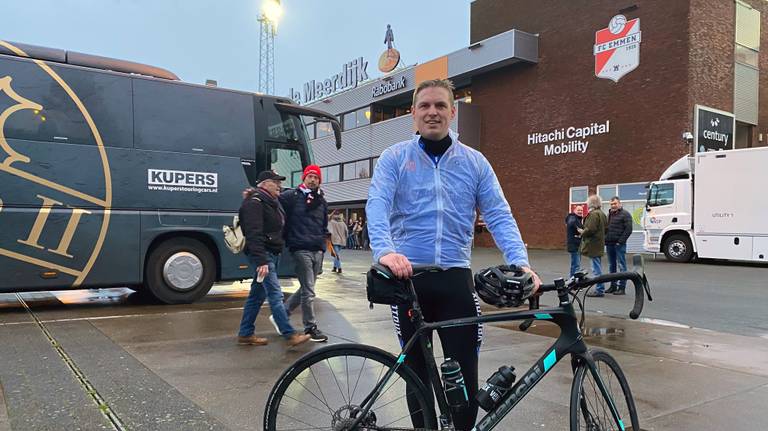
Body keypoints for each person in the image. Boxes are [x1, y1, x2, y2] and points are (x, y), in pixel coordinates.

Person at [366, 78, 541, 431]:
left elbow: (498, 214)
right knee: (416, 378)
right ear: (413, 114)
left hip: (456, 281)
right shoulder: (395, 158)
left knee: (464, 376)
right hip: (408, 279)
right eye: (425, 106)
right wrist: (384, 251)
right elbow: (378, 204)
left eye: (440, 106)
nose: (433, 112)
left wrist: (521, 263)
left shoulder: (474, 162)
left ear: (452, 112)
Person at [236, 171, 310, 347]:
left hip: (270, 253)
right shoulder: (254, 203)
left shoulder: (271, 202)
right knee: (275, 294)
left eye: (279, 182)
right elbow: (253, 233)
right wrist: (261, 261)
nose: (279, 185)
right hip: (263, 255)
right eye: (275, 182)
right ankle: (289, 334)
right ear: (264, 184)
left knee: (256, 295)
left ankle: (245, 333)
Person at [278, 165, 329, 343]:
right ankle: (310, 327)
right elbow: (272, 202)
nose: (313, 179)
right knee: (309, 291)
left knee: (306, 288)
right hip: (300, 248)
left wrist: (322, 243)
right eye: (310, 176)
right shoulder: (292, 196)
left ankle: (281, 314)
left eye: (316, 177)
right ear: (304, 178)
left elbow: (323, 223)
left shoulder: (321, 200)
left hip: (317, 248)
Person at [580, 194, 608, 297]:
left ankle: (599, 289)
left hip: (593, 245)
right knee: (598, 266)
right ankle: (600, 288)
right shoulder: (602, 214)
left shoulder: (593, 214)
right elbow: (605, 229)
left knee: (596, 268)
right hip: (599, 243)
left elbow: (590, 229)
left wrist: (582, 232)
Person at [605, 196, 633, 295]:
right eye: (611, 204)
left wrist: (620, 241)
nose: (613, 205)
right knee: (611, 266)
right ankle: (613, 286)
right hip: (609, 244)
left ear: (619, 204)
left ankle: (622, 288)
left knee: (622, 266)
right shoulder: (610, 214)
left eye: (615, 203)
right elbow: (607, 228)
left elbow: (629, 229)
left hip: (619, 245)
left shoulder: (625, 214)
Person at [565, 205, 584, 277]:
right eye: (578, 210)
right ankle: (573, 281)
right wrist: (577, 228)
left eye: (581, 210)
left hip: (577, 245)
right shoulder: (572, 217)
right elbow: (571, 223)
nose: (580, 212)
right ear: (574, 211)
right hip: (574, 245)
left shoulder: (578, 219)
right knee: (576, 265)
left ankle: (573, 280)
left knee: (576, 264)